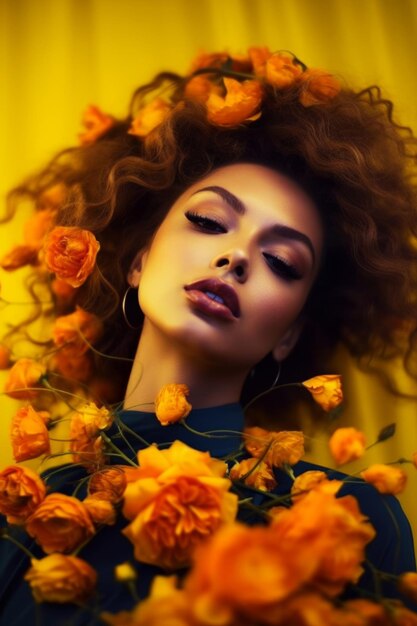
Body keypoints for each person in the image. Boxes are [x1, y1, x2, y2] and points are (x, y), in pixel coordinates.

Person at [0, 47, 417, 625]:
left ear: (290, 334)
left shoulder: (352, 520)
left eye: (282, 260)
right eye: (207, 221)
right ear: (138, 261)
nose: (236, 256)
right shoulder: (25, 515)